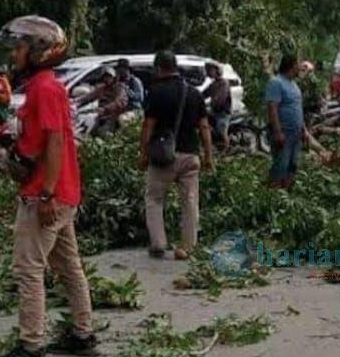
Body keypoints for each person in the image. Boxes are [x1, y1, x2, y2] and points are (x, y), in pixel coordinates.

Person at [0, 16, 96, 357]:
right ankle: (83, 334)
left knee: (28, 269)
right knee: (68, 266)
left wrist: (46, 194)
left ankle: (31, 346)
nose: (13, 55)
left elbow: (55, 142)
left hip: (46, 194)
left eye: (18, 48)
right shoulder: (46, 86)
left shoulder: (44, 89)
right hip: (61, 191)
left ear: (37, 51)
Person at [141, 51, 214, 260]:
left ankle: (158, 242)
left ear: (158, 68)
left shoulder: (155, 92)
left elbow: (148, 126)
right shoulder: (193, 93)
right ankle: (187, 247)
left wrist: (143, 153)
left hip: (164, 156)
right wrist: (208, 156)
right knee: (190, 202)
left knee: (154, 198)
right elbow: (204, 127)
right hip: (190, 155)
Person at [265, 54, 308, 189]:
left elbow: (298, 108)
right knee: (280, 166)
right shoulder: (276, 83)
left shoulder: (294, 85)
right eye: (298, 65)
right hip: (284, 132)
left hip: (296, 134)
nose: (300, 68)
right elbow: (273, 108)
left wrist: (304, 130)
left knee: (292, 165)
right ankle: (274, 194)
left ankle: (286, 195)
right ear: (292, 66)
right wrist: (278, 132)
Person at [76, 66, 128, 136]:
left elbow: (118, 101)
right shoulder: (102, 88)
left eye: (109, 77)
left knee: (104, 133)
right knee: (89, 127)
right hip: (100, 115)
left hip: (113, 116)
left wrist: (106, 108)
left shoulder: (119, 88)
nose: (106, 79)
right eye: (105, 77)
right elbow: (90, 96)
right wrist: (76, 102)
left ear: (114, 77)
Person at [203, 62, 231, 153]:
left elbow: (220, 98)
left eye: (211, 70)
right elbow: (204, 94)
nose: (209, 72)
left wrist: (212, 104)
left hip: (222, 111)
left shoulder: (224, 83)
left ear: (217, 71)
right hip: (214, 110)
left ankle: (226, 150)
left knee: (221, 130)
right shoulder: (213, 84)